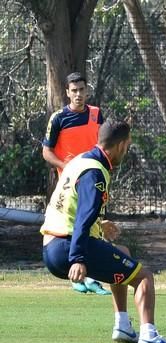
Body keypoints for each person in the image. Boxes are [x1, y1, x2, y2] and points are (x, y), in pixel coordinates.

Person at [41, 119, 166, 343]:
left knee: (122, 253)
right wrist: (77, 258)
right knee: (143, 276)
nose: (127, 150)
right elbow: (83, 217)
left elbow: (71, 206)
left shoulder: (82, 160)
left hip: (51, 245)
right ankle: (149, 335)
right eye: (128, 145)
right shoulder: (95, 172)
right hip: (66, 247)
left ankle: (123, 326)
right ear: (121, 145)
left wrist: (100, 223)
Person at [42, 72, 110, 296]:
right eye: (74, 90)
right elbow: (46, 152)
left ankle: (93, 276)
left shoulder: (96, 115)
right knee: (72, 228)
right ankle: (75, 276)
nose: (78, 94)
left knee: (95, 225)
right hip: (70, 185)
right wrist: (66, 167)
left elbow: (103, 146)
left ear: (86, 90)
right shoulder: (59, 118)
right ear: (67, 92)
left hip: (93, 179)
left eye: (81, 90)